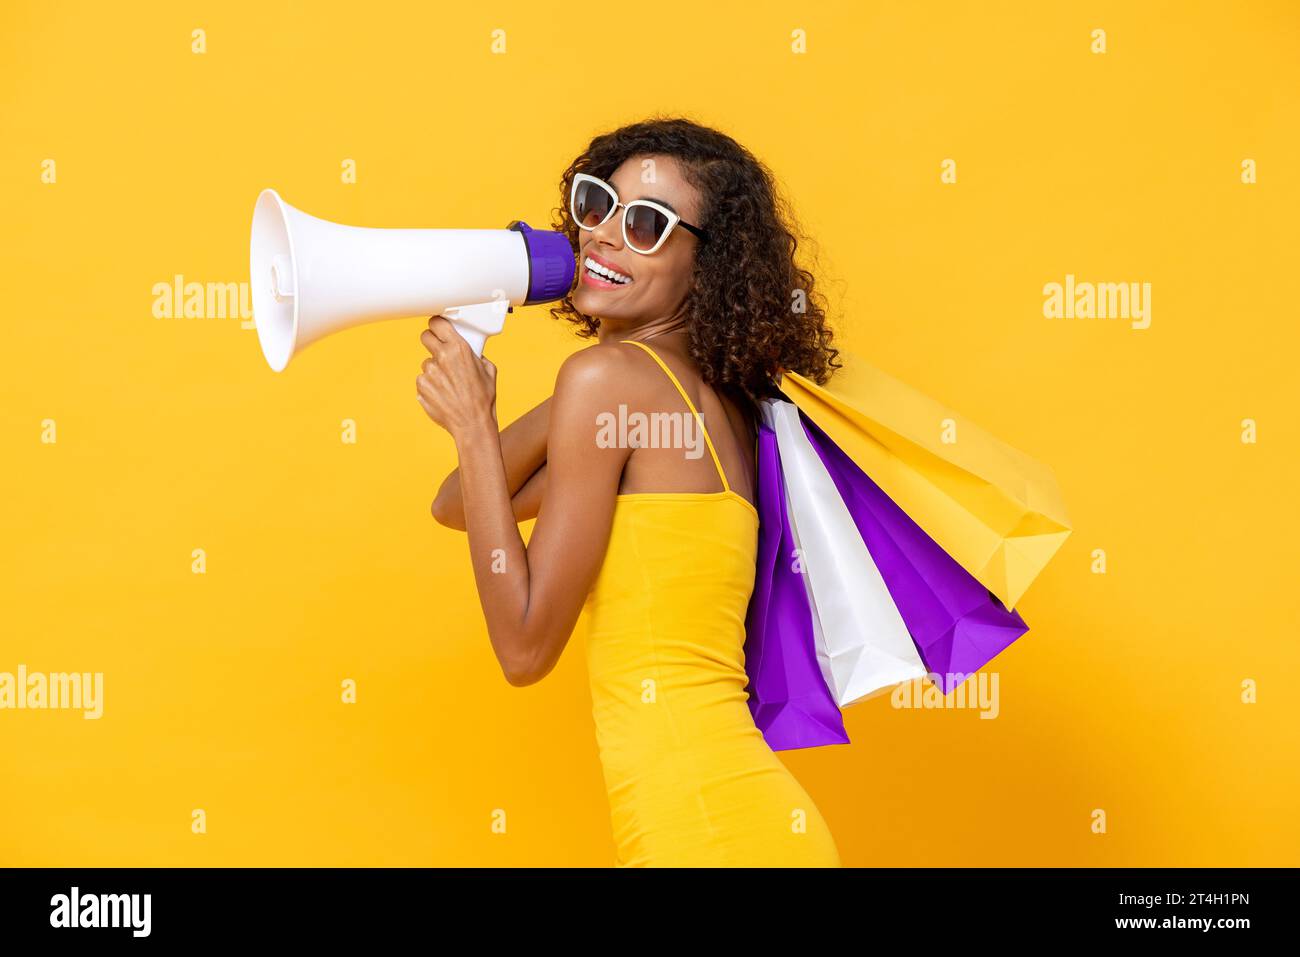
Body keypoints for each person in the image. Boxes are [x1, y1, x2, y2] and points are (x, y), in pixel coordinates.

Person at [418, 117, 842, 866]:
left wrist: (473, 420)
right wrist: (475, 434)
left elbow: (523, 647)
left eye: (646, 224)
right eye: (597, 205)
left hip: (702, 831)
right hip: (742, 820)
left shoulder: (607, 383)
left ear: (706, 267)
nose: (605, 236)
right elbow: (459, 500)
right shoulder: (709, 402)